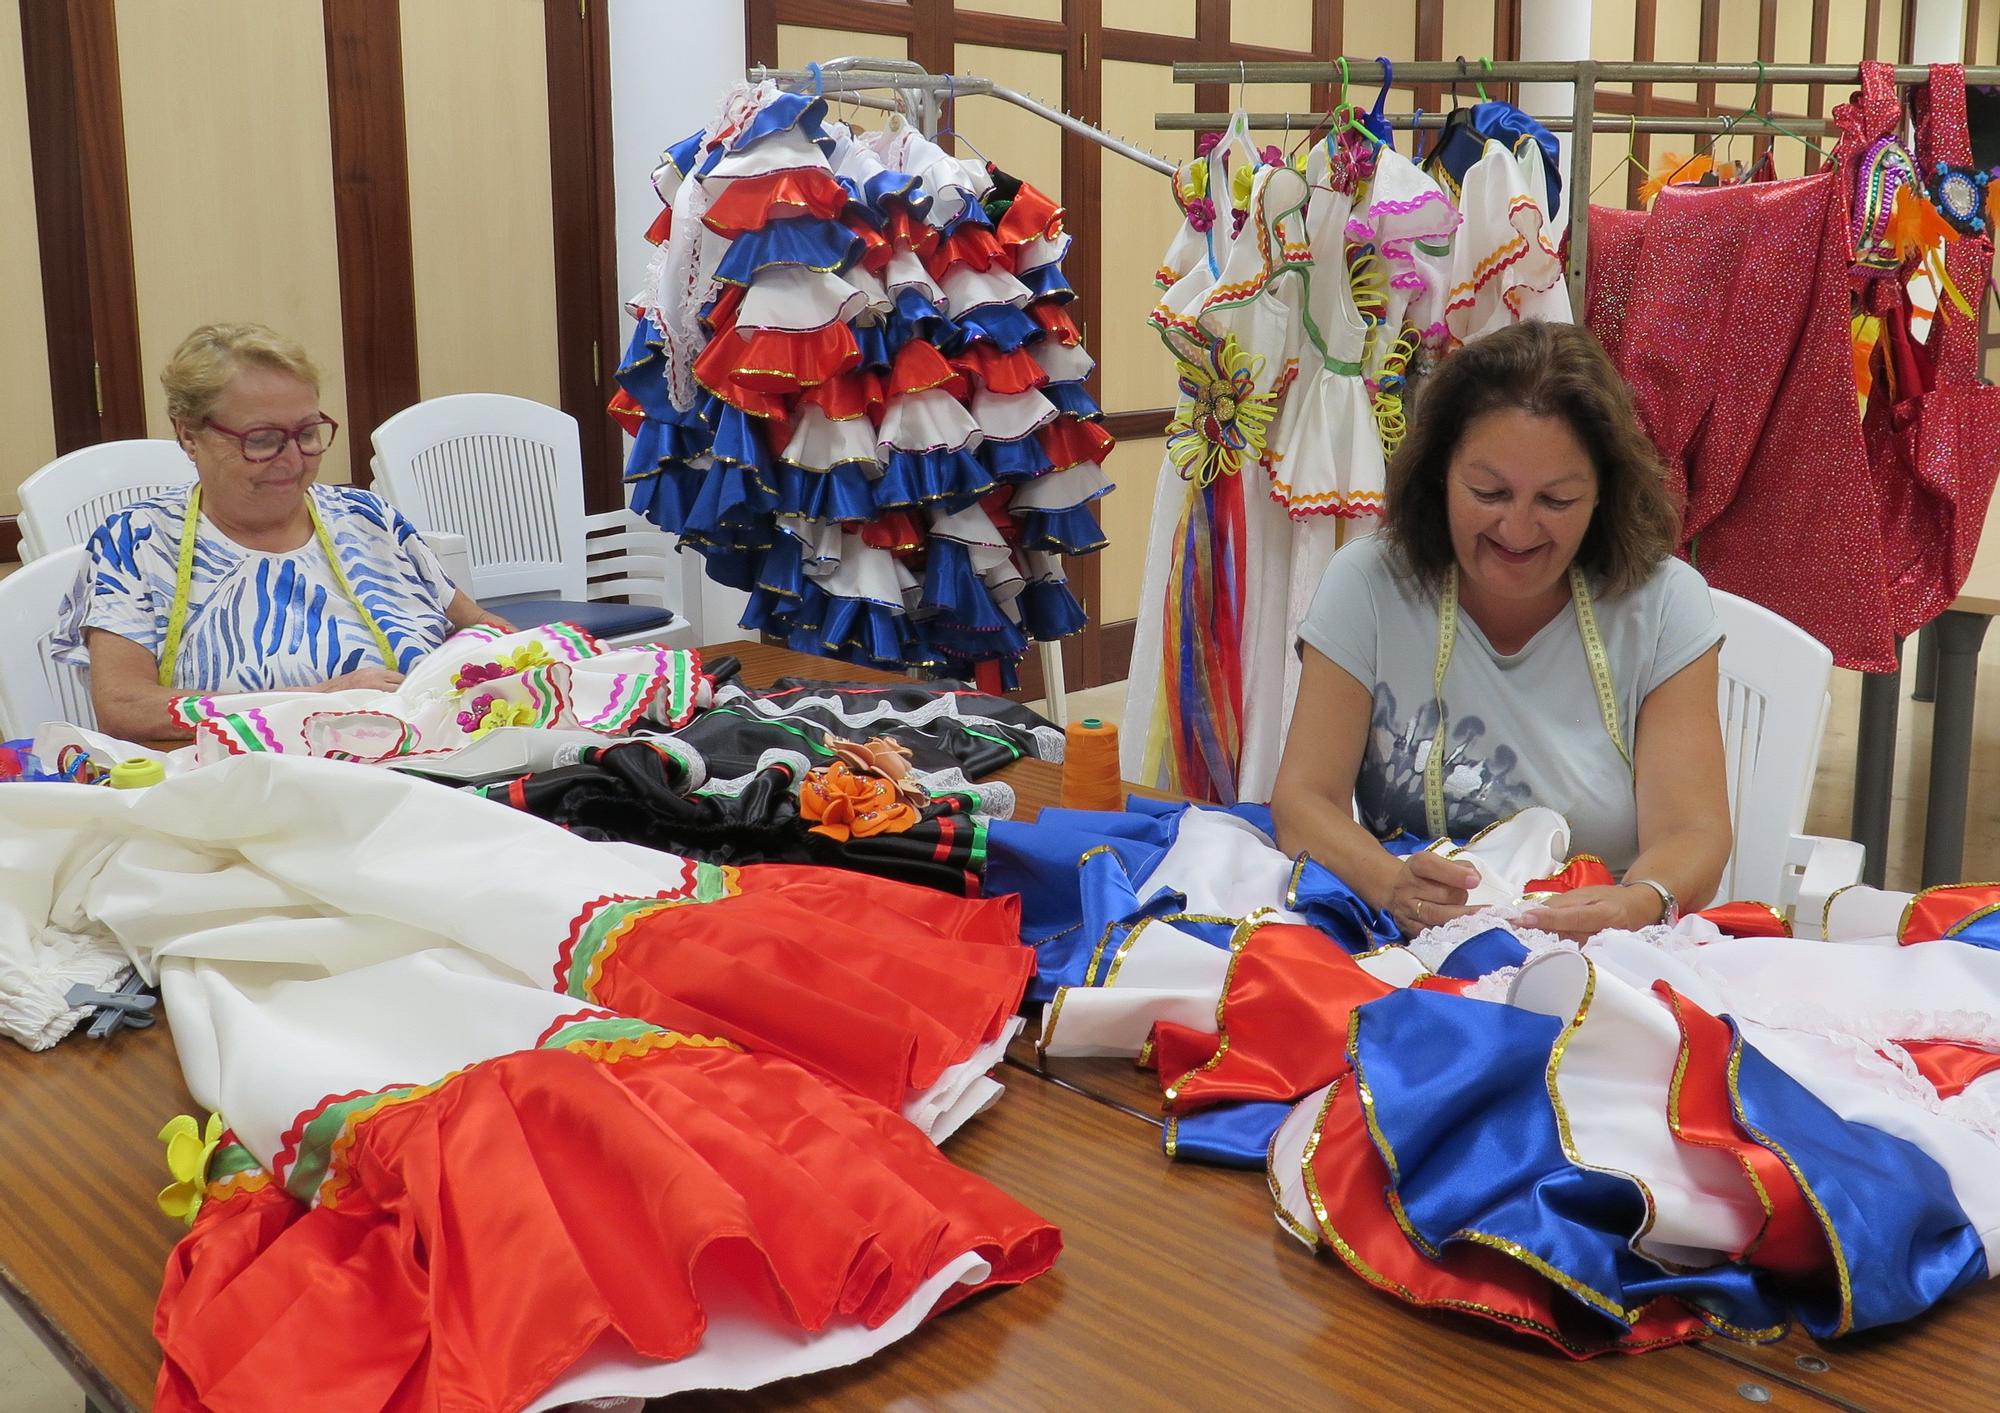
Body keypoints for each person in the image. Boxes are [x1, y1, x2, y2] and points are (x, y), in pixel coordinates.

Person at [1270, 319, 1731, 942]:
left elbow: (1694, 833)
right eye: (1488, 492)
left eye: (1557, 500)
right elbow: (1304, 800)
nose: (1517, 529)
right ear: (1439, 477)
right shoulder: (1368, 584)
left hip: (1602, 957)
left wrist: (1634, 905)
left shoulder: (1665, 603)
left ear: (1604, 496)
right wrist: (1388, 883)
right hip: (1405, 941)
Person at [53, 322, 511, 742]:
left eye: (308, 433)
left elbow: (486, 629)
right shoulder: (137, 543)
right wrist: (318, 701)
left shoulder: (368, 519)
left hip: (432, 764)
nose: (293, 460)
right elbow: (124, 707)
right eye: (262, 440)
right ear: (189, 435)